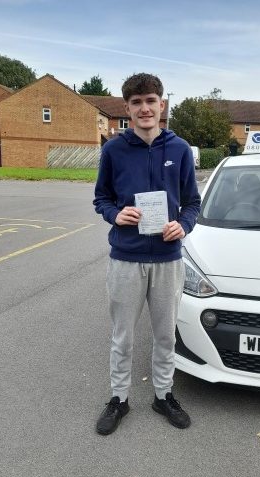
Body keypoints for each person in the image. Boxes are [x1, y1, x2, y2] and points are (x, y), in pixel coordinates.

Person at [93, 73, 201, 435]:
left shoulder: (180, 149)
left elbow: (193, 204)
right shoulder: (113, 150)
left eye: (150, 100)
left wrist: (183, 225)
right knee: (122, 335)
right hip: (126, 258)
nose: (144, 108)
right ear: (127, 108)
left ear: (161, 105)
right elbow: (102, 198)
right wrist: (115, 214)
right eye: (136, 102)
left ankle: (163, 394)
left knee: (165, 335)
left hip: (168, 259)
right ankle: (119, 398)